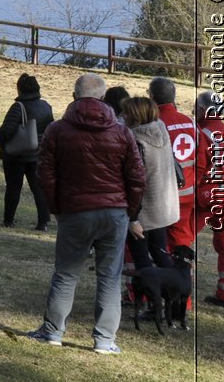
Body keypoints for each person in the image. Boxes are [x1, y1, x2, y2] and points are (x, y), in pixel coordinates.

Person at [25, 73, 146, 353]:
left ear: (74, 95)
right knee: (109, 276)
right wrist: (130, 209)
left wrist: (56, 207)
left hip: (75, 210)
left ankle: (53, 331)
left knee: (67, 273)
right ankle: (104, 339)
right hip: (113, 211)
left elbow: (45, 174)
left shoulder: (58, 130)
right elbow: (137, 176)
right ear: (103, 98)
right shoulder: (121, 131)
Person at [121, 96, 177, 271]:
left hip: (142, 210)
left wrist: (133, 218)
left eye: (126, 112)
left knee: (142, 259)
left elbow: (135, 182)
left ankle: (149, 297)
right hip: (162, 207)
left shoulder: (136, 142)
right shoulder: (162, 131)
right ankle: (175, 293)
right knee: (160, 253)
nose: (122, 115)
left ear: (134, 116)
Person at [0, 73, 54, 228]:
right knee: (38, 189)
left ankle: (8, 220)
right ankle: (43, 222)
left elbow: (7, 130)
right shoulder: (46, 106)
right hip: (38, 155)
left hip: (16, 156)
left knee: (14, 188)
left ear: (20, 89)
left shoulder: (18, 107)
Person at [151, 77, 200, 253]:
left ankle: (169, 274)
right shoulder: (192, 123)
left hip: (164, 194)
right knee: (181, 238)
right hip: (188, 191)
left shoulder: (155, 124)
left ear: (151, 97)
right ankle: (185, 274)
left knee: (160, 242)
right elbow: (201, 160)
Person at [195, 91, 224, 309]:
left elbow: (198, 169)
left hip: (206, 196)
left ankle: (175, 289)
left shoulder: (201, 133)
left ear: (203, 110)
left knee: (181, 237)